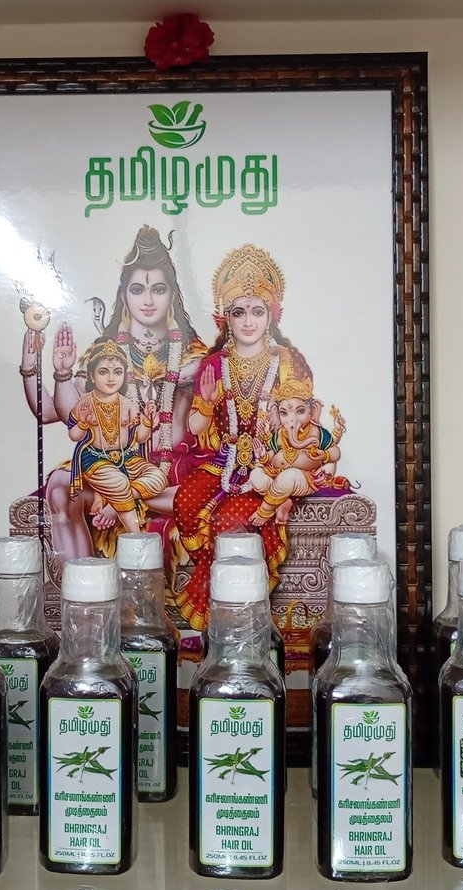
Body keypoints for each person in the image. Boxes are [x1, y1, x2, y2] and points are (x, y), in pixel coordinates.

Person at [18, 227, 207, 569]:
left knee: (197, 492)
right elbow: (54, 413)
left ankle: (122, 497)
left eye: (158, 289)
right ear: (124, 295)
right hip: (110, 465)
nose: (147, 300)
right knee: (60, 486)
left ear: (172, 296)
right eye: (137, 290)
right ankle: (85, 588)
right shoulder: (104, 355)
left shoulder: (193, 356)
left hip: (169, 476)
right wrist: (44, 369)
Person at [171, 243, 322, 630]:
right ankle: (214, 576)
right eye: (239, 312)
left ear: (273, 315)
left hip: (271, 465)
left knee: (228, 522)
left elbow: (302, 423)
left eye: (258, 311)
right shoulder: (214, 364)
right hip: (224, 459)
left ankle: (228, 608)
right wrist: (206, 404)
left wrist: (283, 485)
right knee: (185, 501)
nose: (249, 321)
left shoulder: (287, 362)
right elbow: (196, 428)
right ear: (225, 318)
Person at [66, 341, 164, 534]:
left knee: (158, 478)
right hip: (95, 459)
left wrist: (147, 421)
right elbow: (73, 435)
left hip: (126, 458)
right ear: (92, 375)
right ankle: (135, 535)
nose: (111, 379)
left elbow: (140, 438)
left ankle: (108, 497)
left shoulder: (128, 404)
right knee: (119, 483)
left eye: (118, 372)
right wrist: (83, 423)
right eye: (103, 372)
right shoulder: (85, 403)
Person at [247, 377, 348, 527]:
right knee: (255, 475)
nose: (291, 419)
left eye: (300, 411)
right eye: (284, 413)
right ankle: (282, 500)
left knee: (289, 477)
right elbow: (272, 455)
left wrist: (325, 455)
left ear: (312, 411)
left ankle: (265, 510)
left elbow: (335, 452)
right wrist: (263, 455)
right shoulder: (280, 433)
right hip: (276, 474)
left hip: (304, 479)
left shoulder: (317, 432)